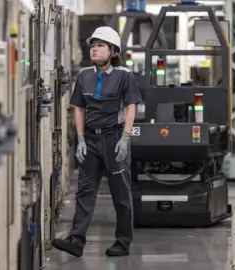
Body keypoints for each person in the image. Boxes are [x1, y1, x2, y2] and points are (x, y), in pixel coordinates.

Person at [51, 26, 142, 257]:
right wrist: (80, 139)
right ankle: (76, 240)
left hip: (114, 138)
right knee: (85, 191)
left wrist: (125, 138)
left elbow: (131, 107)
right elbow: (79, 108)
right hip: (91, 140)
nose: (94, 49)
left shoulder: (125, 75)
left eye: (100, 45)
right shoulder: (84, 76)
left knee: (121, 193)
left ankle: (122, 242)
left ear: (112, 51)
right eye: (92, 45)